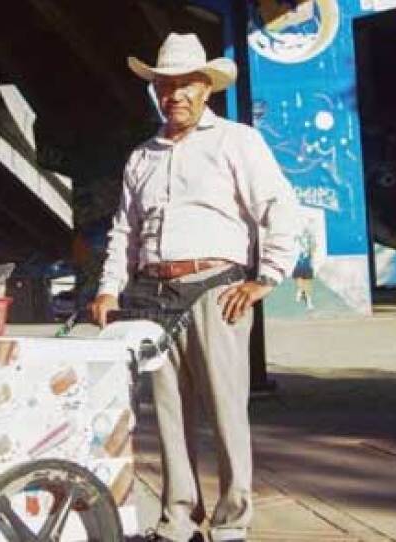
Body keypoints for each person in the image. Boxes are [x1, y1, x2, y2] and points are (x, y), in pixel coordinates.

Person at [89, 33, 300, 542]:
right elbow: (124, 229)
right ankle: (178, 521)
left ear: (207, 88)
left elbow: (278, 206)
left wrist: (266, 277)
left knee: (227, 410)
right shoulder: (142, 156)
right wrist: (108, 289)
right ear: (156, 91)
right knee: (167, 413)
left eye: (186, 84)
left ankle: (231, 523)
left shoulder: (236, 141)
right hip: (153, 296)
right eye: (165, 85)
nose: (175, 94)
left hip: (217, 289)